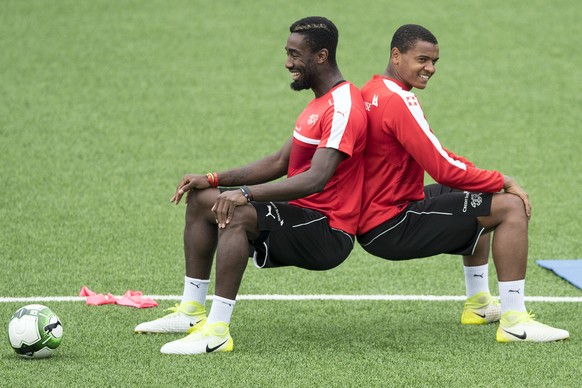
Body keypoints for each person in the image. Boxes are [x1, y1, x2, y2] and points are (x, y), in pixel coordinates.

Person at [135, 16, 367, 355]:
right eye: (287, 53)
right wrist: (212, 179)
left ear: (321, 56)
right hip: (301, 214)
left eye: (295, 55)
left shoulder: (343, 106)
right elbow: (278, 163)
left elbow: (317, 178)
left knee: (239, 215)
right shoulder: (318, 103)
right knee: (202, 199)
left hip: (329, 229)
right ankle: (191, 312)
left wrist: (245, 194)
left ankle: (217, 331)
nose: (288, 63)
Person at [357, 24, 568, 342]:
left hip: (377, 214)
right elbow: (442, 169)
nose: (430, 68)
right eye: (422, 59)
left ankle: (479, 304)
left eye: (434, 61)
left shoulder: (374, 90)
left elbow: (434, 151)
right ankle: (514, 320)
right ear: (396, 56)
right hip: (390, 225)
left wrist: (484, 179)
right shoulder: (399, 102)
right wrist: (503, 180)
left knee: (478, 191)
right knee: (510, 208)